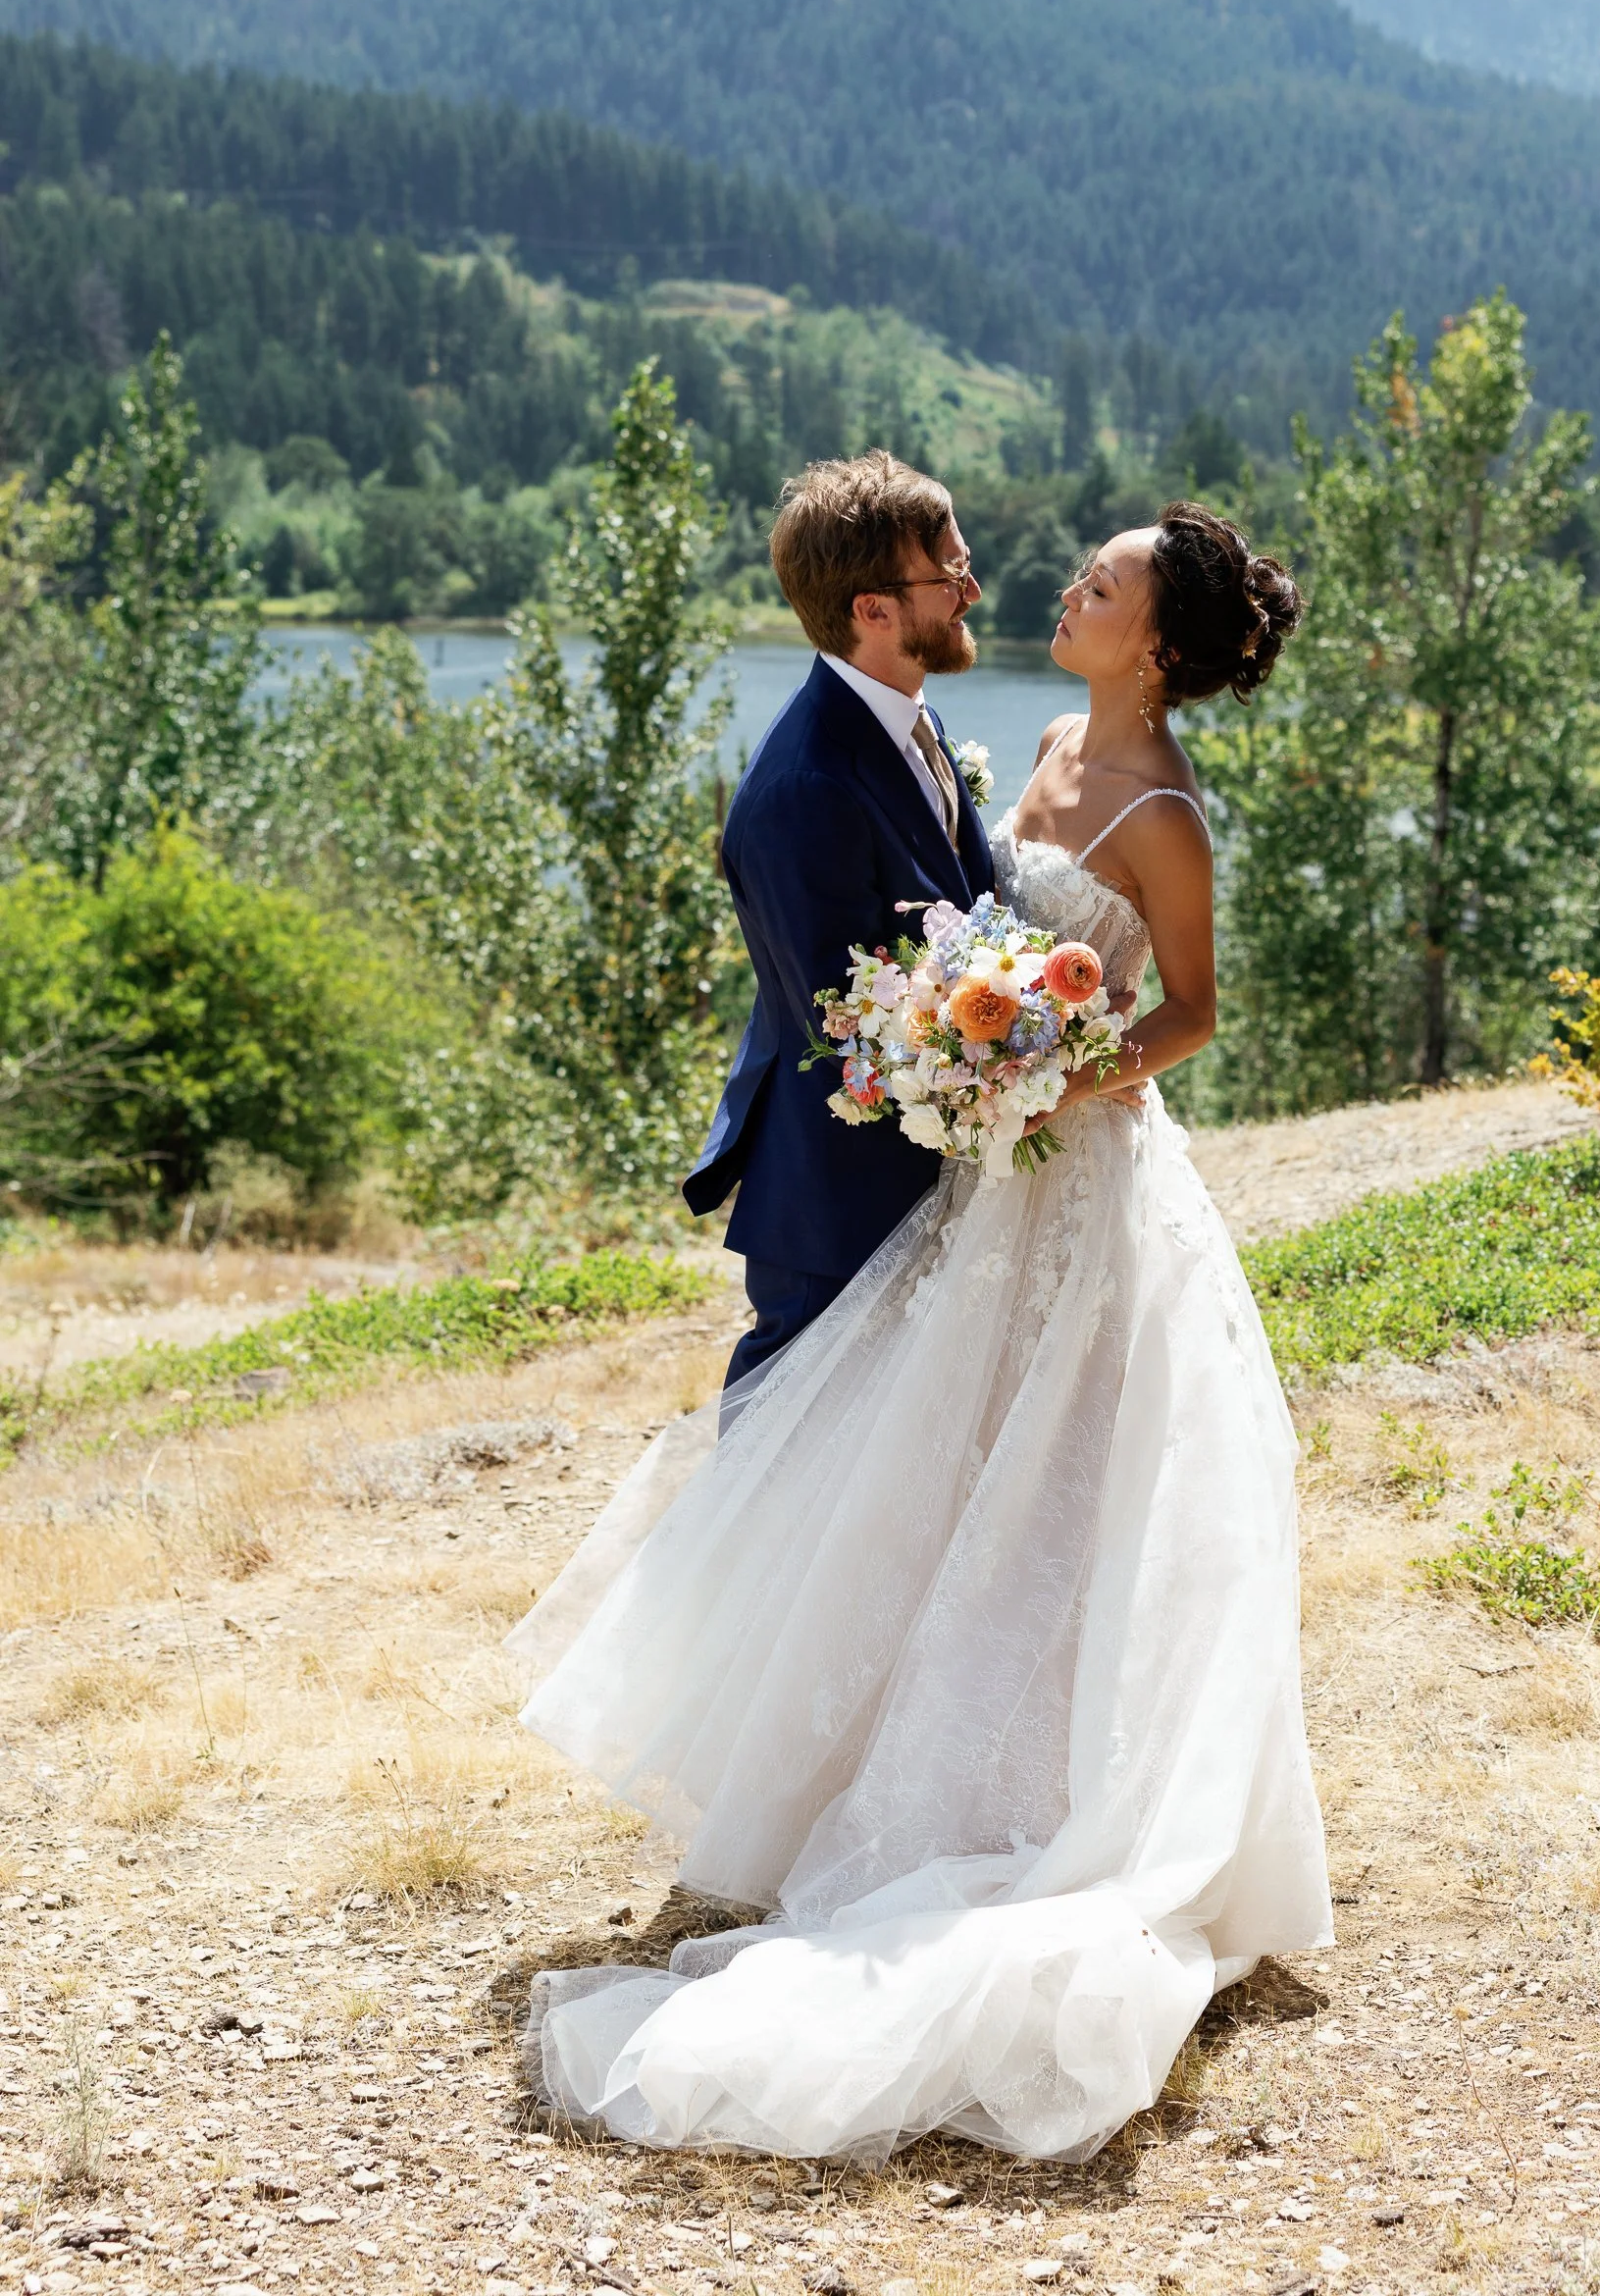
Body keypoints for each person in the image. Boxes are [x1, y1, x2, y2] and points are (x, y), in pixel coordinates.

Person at [508, 496, 1332, 2165]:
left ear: (1153, 638)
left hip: (1082, 1173)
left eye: (1095, 581)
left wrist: (1061, 1074)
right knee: (929, 1455)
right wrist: (987, 1058)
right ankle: (845, 1763)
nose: (1053, 585)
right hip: (984, 1178)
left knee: (1073, 1474)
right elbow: (956, 938)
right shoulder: (1017, 734)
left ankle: (1039, 1788)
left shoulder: (1165, 810)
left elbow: (1190, 1002)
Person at [684, 450, 995, 1404]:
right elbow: (845, 1024)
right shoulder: (804, 788)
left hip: (932, 1174)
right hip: (839, 1197)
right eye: (948, 576)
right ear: (873, 610)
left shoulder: (908, 726)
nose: (971, 590)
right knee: (788, 1450)